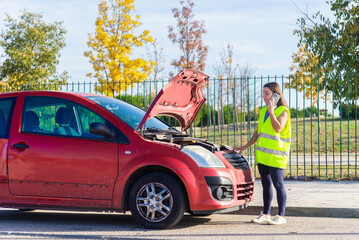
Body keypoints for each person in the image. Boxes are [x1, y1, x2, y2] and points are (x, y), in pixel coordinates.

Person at [234, 82, 291, 225]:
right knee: (266, 185)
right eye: (263, 93)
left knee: (278, 185)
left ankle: (281, 216)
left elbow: (277, 128)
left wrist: (272, 111)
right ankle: (266, 214)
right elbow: (258, 132)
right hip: (263, 156)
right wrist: (245, 146)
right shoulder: (263, 112)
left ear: (276, 95)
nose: (264, 97)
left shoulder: (283, 111)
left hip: (276, 156)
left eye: (267, 93)